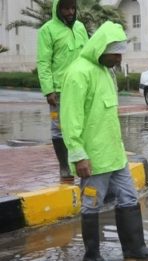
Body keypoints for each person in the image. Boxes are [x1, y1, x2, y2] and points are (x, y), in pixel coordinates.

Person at [60, 21, 148, 261]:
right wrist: (78, 155)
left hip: (116, 157)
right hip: (93, 159)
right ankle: (92, 257)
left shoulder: (105, 72)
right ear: (101, 48)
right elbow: (70, 118)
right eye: (115, 53)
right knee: (91, 206)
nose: (119, 58)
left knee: (130, 198)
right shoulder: (78, 73)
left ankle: (134, 250)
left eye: (120, 53)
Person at [37, 0, 89, 184]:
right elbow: (43, 62)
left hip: (82, 88)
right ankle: (64, 166)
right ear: (57, 9)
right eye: (66, 8)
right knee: (59, 130)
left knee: (83, 126)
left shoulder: (81, 27)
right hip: (59, 91)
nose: (70, 12)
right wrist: (48, 90)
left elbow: (88, 56)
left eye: (72, 8)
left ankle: (84, 162)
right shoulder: (47, 30)